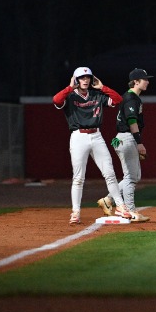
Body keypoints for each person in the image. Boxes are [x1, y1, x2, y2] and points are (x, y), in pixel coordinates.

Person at [53, 67, 132, 225]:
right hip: (78, 137)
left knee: (109, 173)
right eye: (82, 78)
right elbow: (56, 100)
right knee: (78, 178)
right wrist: (70, 87)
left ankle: (120, 206)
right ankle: (76, 212)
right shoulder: (70, 96)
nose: (85, 80)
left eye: (87, 77)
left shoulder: (96, 95)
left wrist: (102, 87)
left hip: (96, 136)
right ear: (76, 80)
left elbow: (118, 100)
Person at [97, 68, 153, 222]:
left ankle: (108, 200)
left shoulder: (133, 97)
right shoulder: (130, 98)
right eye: (145, 79)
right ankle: (130, 211)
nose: (147, 82)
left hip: (123, 139)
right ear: (136, 82)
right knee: (131, 177)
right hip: (126, 138)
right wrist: (139, 142)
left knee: (134, 176)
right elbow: (132, 121)